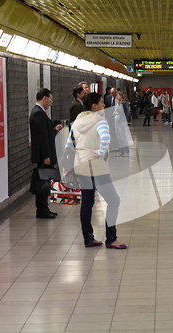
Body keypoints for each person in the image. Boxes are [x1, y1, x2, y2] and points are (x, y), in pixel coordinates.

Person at [70, 92, 127, 249]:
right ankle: (111, 238)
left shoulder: (76, 122)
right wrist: (101, 152)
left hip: (81, 166)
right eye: (101, 103)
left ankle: (88, 238)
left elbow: (70, 142)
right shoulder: (100, 121)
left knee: (87, 203)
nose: (104, 105)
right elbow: (106, 139)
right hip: (96, 168)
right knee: (114, 200)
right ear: (94, 106)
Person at [29, 88, 63, 218]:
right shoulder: (38, 113)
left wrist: (54, 129)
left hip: (45, 155)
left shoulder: (39, 112)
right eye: (50, 100)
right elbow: (42, 137)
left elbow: (45, 132)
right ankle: (42, 210)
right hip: (44, 156)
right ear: (44, 98)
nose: (51, 103)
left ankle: (44, 208)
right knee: (43, 182)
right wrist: (47, 156)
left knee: (45, 182)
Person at [115, 92, 130, 157]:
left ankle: (126, 152)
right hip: (117, 121)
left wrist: (118, 104)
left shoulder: (124, 103)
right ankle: (122, 151)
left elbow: (119, 111)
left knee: (123, 137)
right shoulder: (119, 104)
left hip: (121, 121)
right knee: (119, 137)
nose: (117, 97)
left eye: (118, 96)